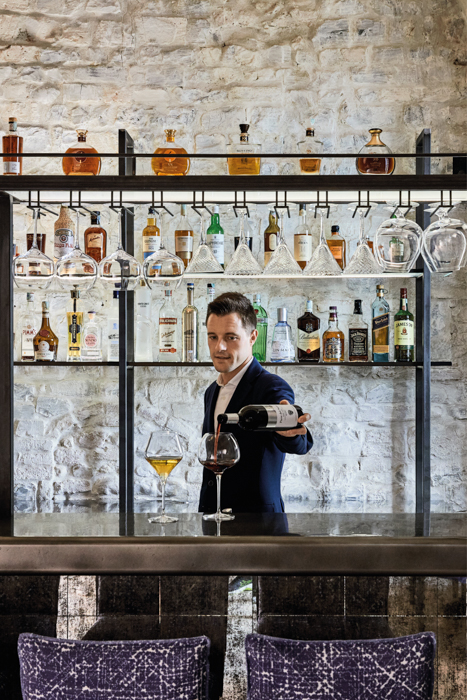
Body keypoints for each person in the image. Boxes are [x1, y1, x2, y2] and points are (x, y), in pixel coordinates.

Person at [199, 292, 312, 514]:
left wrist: (291, 432)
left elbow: (296, 441)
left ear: (252, 337)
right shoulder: (212, 390)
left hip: (258, 522)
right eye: (213, 337)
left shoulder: (272, 387)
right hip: (213, 518)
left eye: (231, 337)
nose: (219, 347)